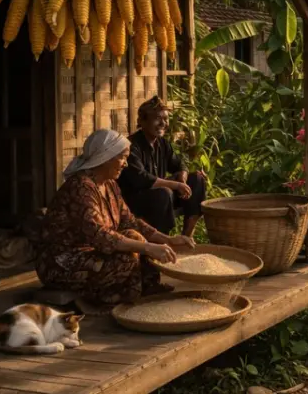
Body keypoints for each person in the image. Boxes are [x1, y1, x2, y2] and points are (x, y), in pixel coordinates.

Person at [36, 130, 195, 311]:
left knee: (135, 236)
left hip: (91, 252)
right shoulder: (80, 188)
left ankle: (143, 288)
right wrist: (147, 246)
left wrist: (167, 240)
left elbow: (129, 221)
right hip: (62, 261)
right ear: (105, 158)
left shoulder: (110, 184)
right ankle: (102, 297)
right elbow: (100, 236)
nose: (125, 164)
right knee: (132, 251)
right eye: (122, 158)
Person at [118, 97, 207, 237]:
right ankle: (163, 241)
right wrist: (176, 185)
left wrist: (182, 180)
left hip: (161, 196)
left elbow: (179, 164)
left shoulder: (162, 143)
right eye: (157, 119)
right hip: (135, 201)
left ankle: (186, 237)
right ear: (142, 121)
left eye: (165, 119)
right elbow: (141, 179)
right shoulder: (131, 145)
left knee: (197, 179)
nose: (163, 123)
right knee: (164, 192)